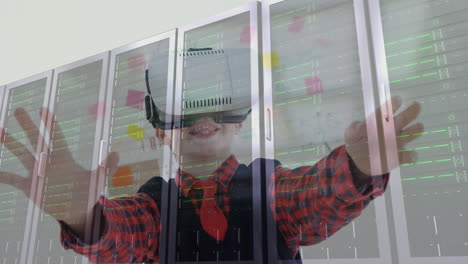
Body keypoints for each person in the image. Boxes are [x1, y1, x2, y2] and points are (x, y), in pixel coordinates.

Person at [0, 53, 423, 263]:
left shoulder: (270, 189)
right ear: (161, 134)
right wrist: (85, 219)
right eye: (181, 108)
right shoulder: (154, 208)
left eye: (217, 104)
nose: (201, 117)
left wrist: (356, 168)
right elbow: (124, 236)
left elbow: (311, 199)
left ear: (240, 122)